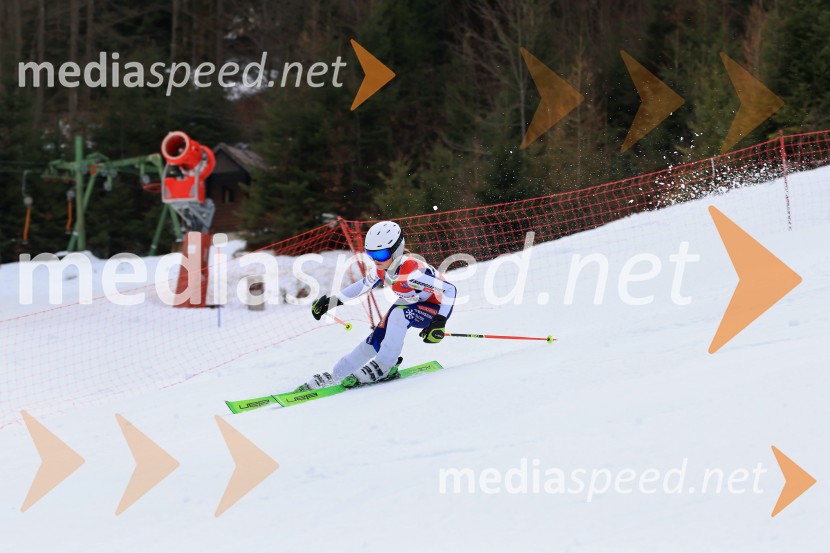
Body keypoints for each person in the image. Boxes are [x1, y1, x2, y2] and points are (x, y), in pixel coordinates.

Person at [296, 221, 457, 391]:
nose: (375, 260)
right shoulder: (382, 270)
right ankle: (339, 374)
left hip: (435, 309)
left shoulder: (412, 272)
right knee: (375, 339)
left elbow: (450, 290)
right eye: (370, 254)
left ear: (396, 251)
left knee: (397, 314)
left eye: (380, 255)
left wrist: (439, 322)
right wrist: (331, 301)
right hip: (410, 305)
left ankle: (386, 365)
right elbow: (361, 286)